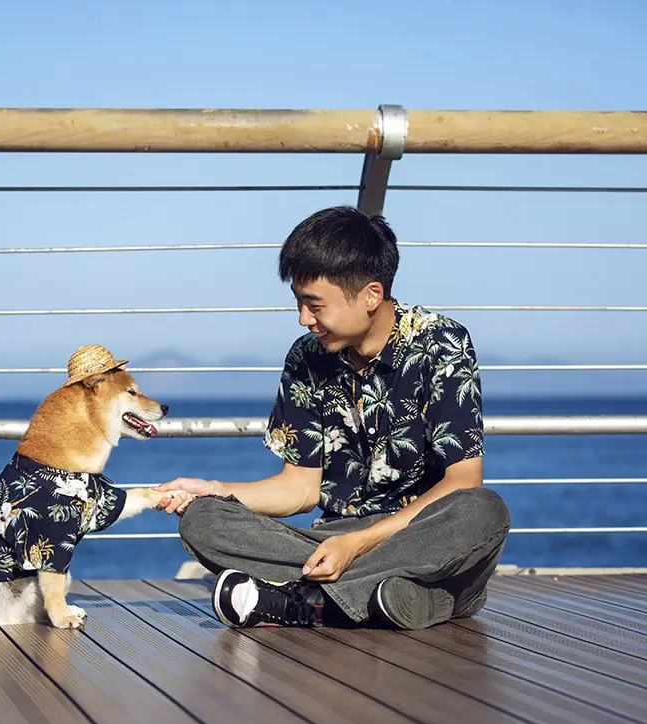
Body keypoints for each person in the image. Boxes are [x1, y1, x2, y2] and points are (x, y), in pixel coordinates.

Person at [156, 206, 510, 630]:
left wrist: (358, 545)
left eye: (314, 305)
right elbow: (299, 488)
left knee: (483, 511)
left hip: (420, 538)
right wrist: (214, 490)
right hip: (331, 539)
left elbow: (463, 482)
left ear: (371, 295)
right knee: (203, 519)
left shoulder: (442, 343)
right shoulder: (306, 358)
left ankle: (306, 601)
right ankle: (393, 599)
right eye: (299, 303)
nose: (304, 319)